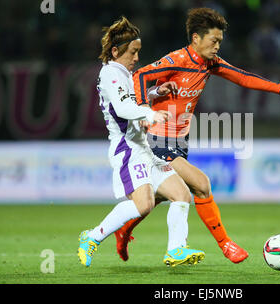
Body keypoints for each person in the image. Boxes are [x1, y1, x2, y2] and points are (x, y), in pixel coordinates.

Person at [114, 7, 280, 264]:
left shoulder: (210, 63)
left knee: (159, 196)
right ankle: (226, 245)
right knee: (201, 184)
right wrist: (141, 112)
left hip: (178, 141)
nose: (217, 46)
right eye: (214, 40)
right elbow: (140, 75)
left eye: (220, 41)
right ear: (196, 38)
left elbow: (242, 77)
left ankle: (123, 229)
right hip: (156, 139)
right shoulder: (176, 60)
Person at [77, 16, 205, 268]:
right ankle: (92, 236)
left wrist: (156, 93)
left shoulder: (125, 74)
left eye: (139, 52)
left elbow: (133, 97)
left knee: (181, 194)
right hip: (127, 149)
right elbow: (124, 107)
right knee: (144, 206)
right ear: (116, 51)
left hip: (144, 146)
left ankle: (176, 250)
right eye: (133, 52)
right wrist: (151, 113)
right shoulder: (111, 73)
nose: (137, 58)